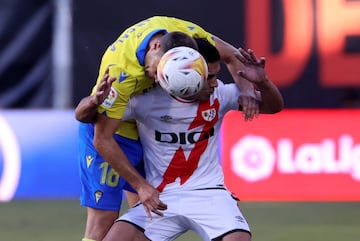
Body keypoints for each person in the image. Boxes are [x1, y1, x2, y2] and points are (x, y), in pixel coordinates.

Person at [75, 16, 260, 241]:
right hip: (112, 134)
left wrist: (246, 89)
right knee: (103, 222)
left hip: (143, 132)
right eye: (160, 72)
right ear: (155, 47)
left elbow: (232, 54)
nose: (163, 82)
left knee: (149, 219)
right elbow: (95, 130)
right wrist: (140, 185)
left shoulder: (189, 34)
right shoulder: (120, 72)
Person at [102, 39, 283, 241]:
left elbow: (272, 107)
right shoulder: (145, 101)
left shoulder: (220, 95)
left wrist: (263, 82)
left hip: (209, 193)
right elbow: (96, 124)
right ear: (188, 74)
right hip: (161, 197)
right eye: (210, 77)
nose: (215, 82)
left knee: (238, 238)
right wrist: (94, 101)